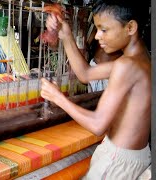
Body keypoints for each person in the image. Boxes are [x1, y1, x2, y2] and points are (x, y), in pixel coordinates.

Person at [40, 0, 151, 179]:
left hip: (117, 160)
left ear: (130, 27)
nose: (98, 36)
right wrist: (66, 35)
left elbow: (98, 125)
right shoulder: (142, 58)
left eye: (104, 29)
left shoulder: (125, 65)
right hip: (136, 155)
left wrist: (58, 98)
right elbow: (86, 73)